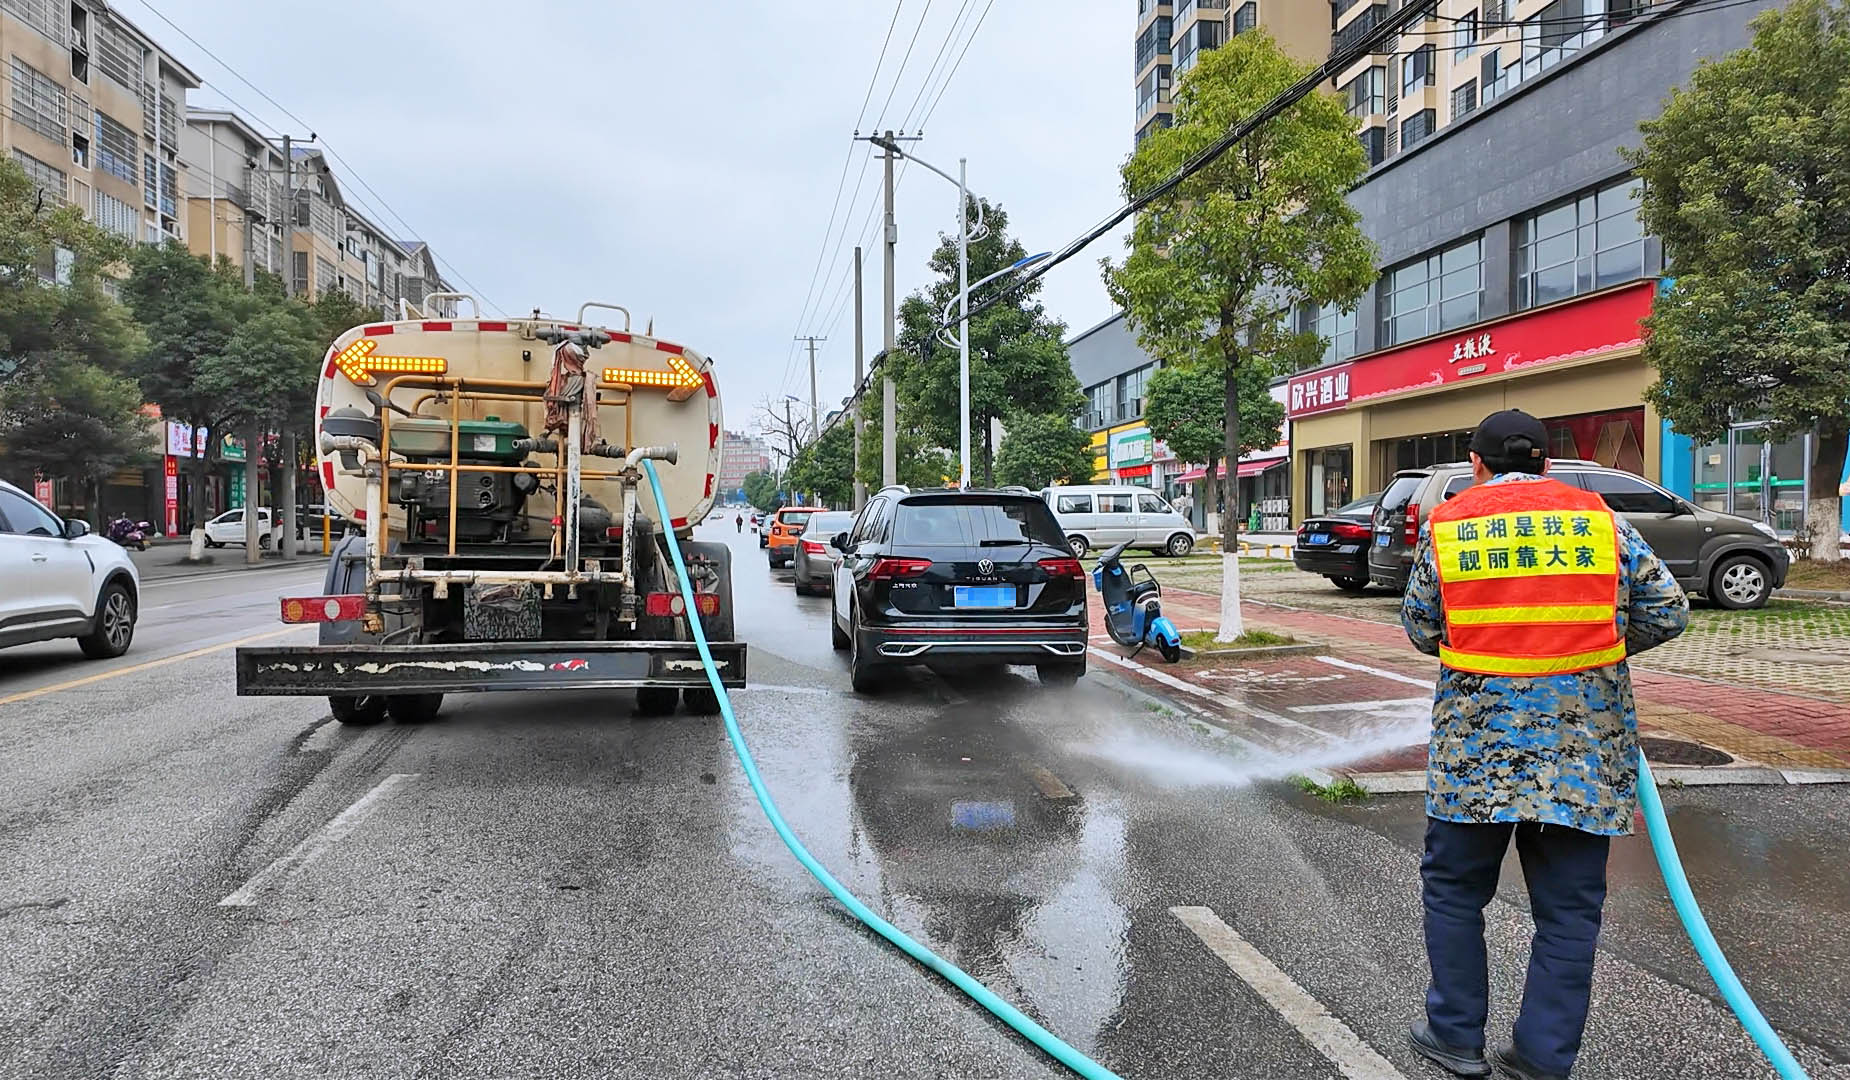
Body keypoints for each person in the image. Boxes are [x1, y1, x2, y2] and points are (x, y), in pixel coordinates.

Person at [1400, 409, 1689, 1080]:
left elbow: (1420, 627)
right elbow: (1668, 611)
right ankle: (1541, 1057)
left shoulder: (1450, 525)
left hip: (1474, 758)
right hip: (1584, 756)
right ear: (1547, 463)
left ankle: (1454, 1036)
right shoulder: (1602, 522)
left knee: (1454, 891)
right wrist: (1593, 654)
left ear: (1476, 464)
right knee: (1568, 914)